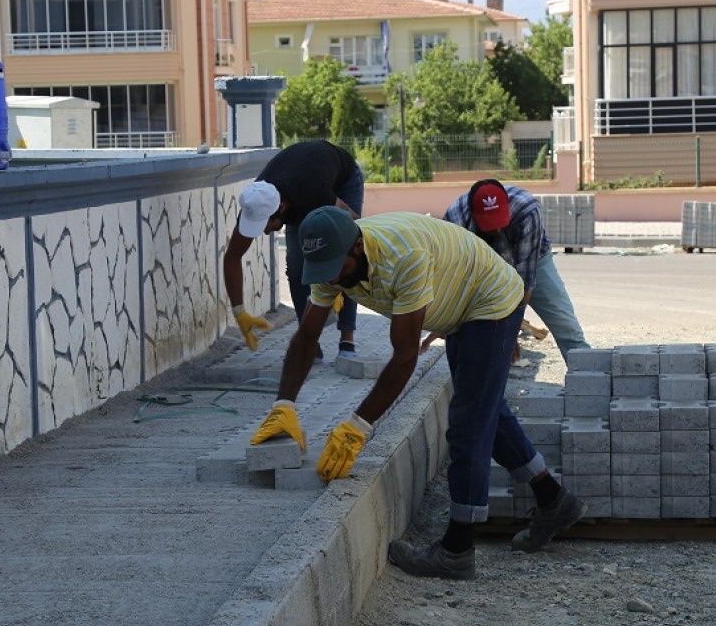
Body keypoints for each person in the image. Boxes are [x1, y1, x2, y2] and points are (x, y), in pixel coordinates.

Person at [249, 207, 587, 580]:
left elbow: (405, 356)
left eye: (335, 267)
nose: (330, 277)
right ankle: (554, 500)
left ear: (358, 246)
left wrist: (358, 426)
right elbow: (306, 338)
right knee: (483, 409)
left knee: (467, 425)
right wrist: (283, 405)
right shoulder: (331, 261)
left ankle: (457, 550)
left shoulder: (402, 257)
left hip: (489, 299)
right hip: (458, 302)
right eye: (322, 270)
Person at [222, 140, 363, 359]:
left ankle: (347, 341)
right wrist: (240, 313)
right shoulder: (255, 202)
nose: (265, 233)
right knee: (297, 267)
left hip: (343, 179)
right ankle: (309, 342)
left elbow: (355, 226)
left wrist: (339, 280)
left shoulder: (310, 192)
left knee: (348, 255)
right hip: (303, 182)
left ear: (281, 208)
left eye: (266, 225)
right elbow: (232, 257)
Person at [438, 179, 590, 363]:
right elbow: (452, 281)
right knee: (469, 327)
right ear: (473, 214)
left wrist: (510, 333)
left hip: (532, 261)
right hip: (482, 267)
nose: (497, 228)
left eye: (500, 220)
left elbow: (524, 283)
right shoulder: (454, 221)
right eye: (489, 224)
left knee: (565, 325)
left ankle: (587, 374)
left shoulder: (527, 211)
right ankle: (475, 375)